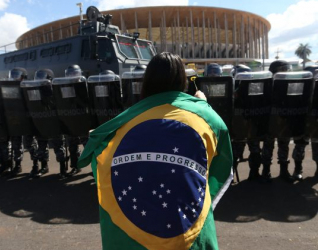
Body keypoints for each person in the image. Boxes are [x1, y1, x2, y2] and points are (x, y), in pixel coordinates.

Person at [78, 52, 233, 250]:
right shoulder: (206, 117)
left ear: (147, 81)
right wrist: (204, 105)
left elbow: (101, 156)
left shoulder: (125, 120)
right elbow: (220, 166)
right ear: (182, 80)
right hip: (186, 233)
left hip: (135, 234)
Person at [268, 60, 308, 182]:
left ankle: (298, 169)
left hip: (296, 116)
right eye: (283, 69)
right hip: (280, 118)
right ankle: (283, 171)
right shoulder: (270, 83)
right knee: (283, 144)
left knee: (300, 143)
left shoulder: (294, 82)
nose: (287, 72)